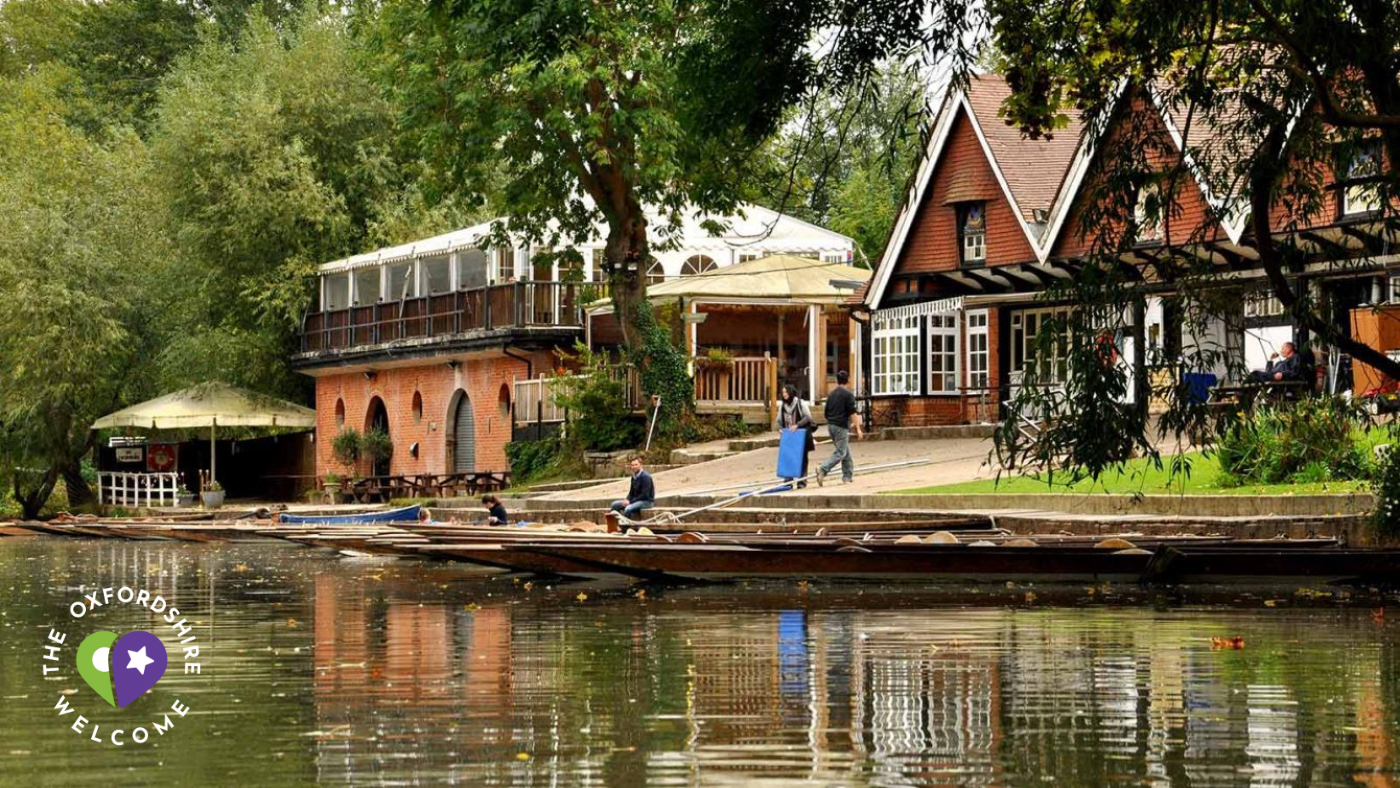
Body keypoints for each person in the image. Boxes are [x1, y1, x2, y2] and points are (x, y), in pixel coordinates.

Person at [815, 370, 863, 486]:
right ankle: (823, 468)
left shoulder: (831, 394)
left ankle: (847, 476)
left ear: (836, 381)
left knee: (845, 450)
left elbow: (826, 413)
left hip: (831, 425)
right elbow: (853, 413)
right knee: (841, 452)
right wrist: (858, 428)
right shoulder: (848, 395)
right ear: (848, 381)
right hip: (841, 426)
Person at [777, 383, 815, 488]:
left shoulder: (800, 403)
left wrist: (797, 425)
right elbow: (779, 421)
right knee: (789, 457)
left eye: (786, 392)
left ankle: (802, 481)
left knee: (802, 458)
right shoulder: (782, 406)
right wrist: (780, 429)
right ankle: (788, 480)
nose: (784, 394)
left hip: (801, 435)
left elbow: (808, 417)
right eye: (783, 392)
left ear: (791, 392)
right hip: (789, 436)